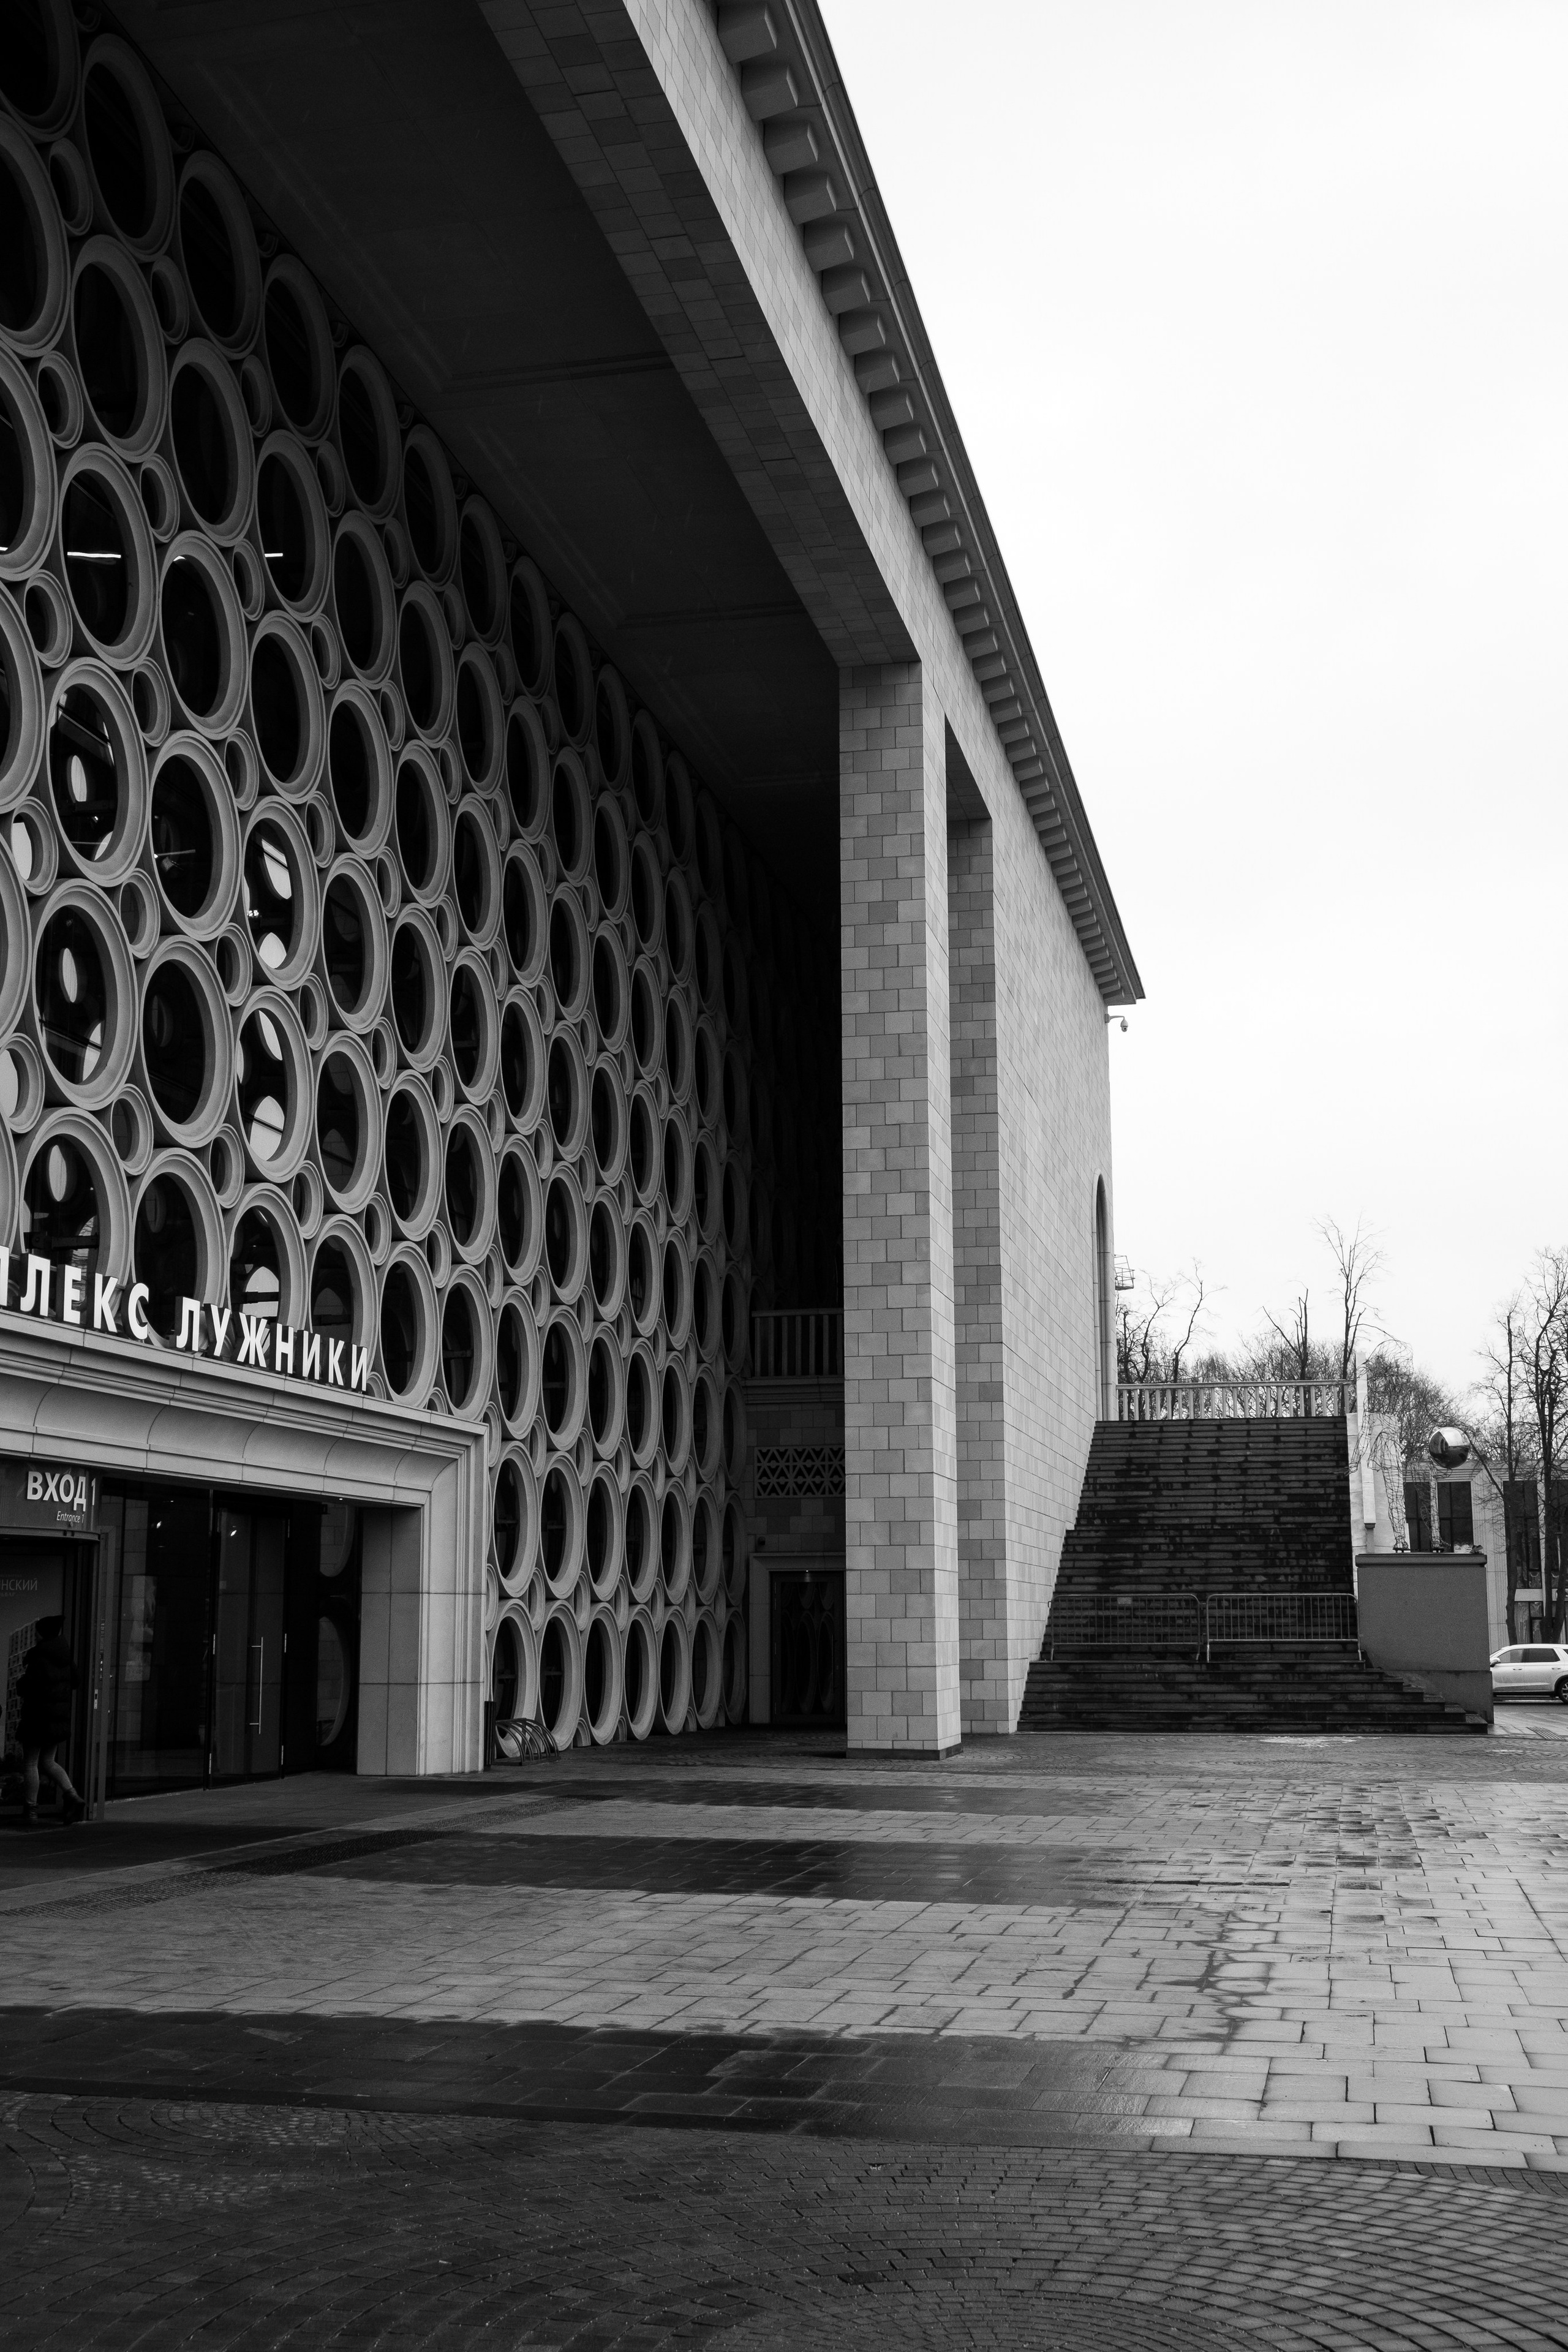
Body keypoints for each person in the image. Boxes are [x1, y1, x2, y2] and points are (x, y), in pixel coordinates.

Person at [17, 1618, 85, 1828]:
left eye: (37, 1632)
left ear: (43, 1634)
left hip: (37, 1718)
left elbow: (27, 1686)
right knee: (48, 1761)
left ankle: (31, 1811)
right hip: (56, 1720)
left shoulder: (39, 1657)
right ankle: (72, 1795)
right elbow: (76, 1681)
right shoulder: (65, 1657)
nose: (35, 1636)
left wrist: (21, 1681)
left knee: (31, 1763)